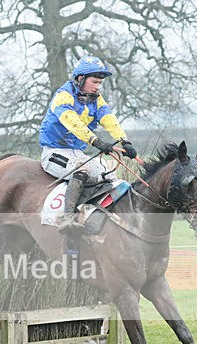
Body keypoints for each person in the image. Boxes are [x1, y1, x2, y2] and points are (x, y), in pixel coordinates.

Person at [39, 55, 136, 235]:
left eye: (100, 83)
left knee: (108, 173)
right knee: (81, 171)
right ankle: (67, 219)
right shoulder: (63, 96)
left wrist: (125, 140)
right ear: (80, 79)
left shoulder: (96, 99)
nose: (97, 87)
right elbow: (74, 124)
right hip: (53, 151)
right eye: (94, 82)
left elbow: (109, 120)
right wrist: (97, 142)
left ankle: (94, 215)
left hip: (76, 152)